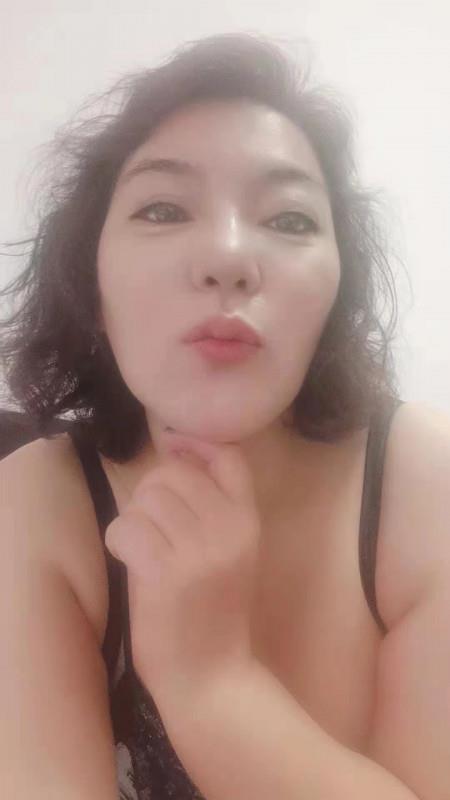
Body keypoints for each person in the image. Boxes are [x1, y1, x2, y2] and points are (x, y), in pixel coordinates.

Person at [0, 31, 449, 800]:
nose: (229, 256)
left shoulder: (425, 485)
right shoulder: (35, 503)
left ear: (335, 298)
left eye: (290, 219)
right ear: (91, 288)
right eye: (163, 208)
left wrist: (210, 683)